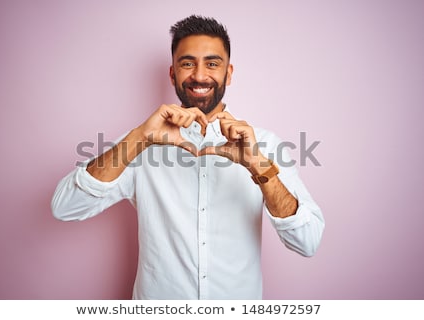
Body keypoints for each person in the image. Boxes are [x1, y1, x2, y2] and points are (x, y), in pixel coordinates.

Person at [52, 15, 325, 300]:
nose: (199, 75)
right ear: (172, 74)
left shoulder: (265, 145)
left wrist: (258, 165)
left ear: (228, 73)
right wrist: (139, 139)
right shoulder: (141, 141)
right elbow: (65, 207)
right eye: (187, 63)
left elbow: (307, 241)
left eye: (212, 63)